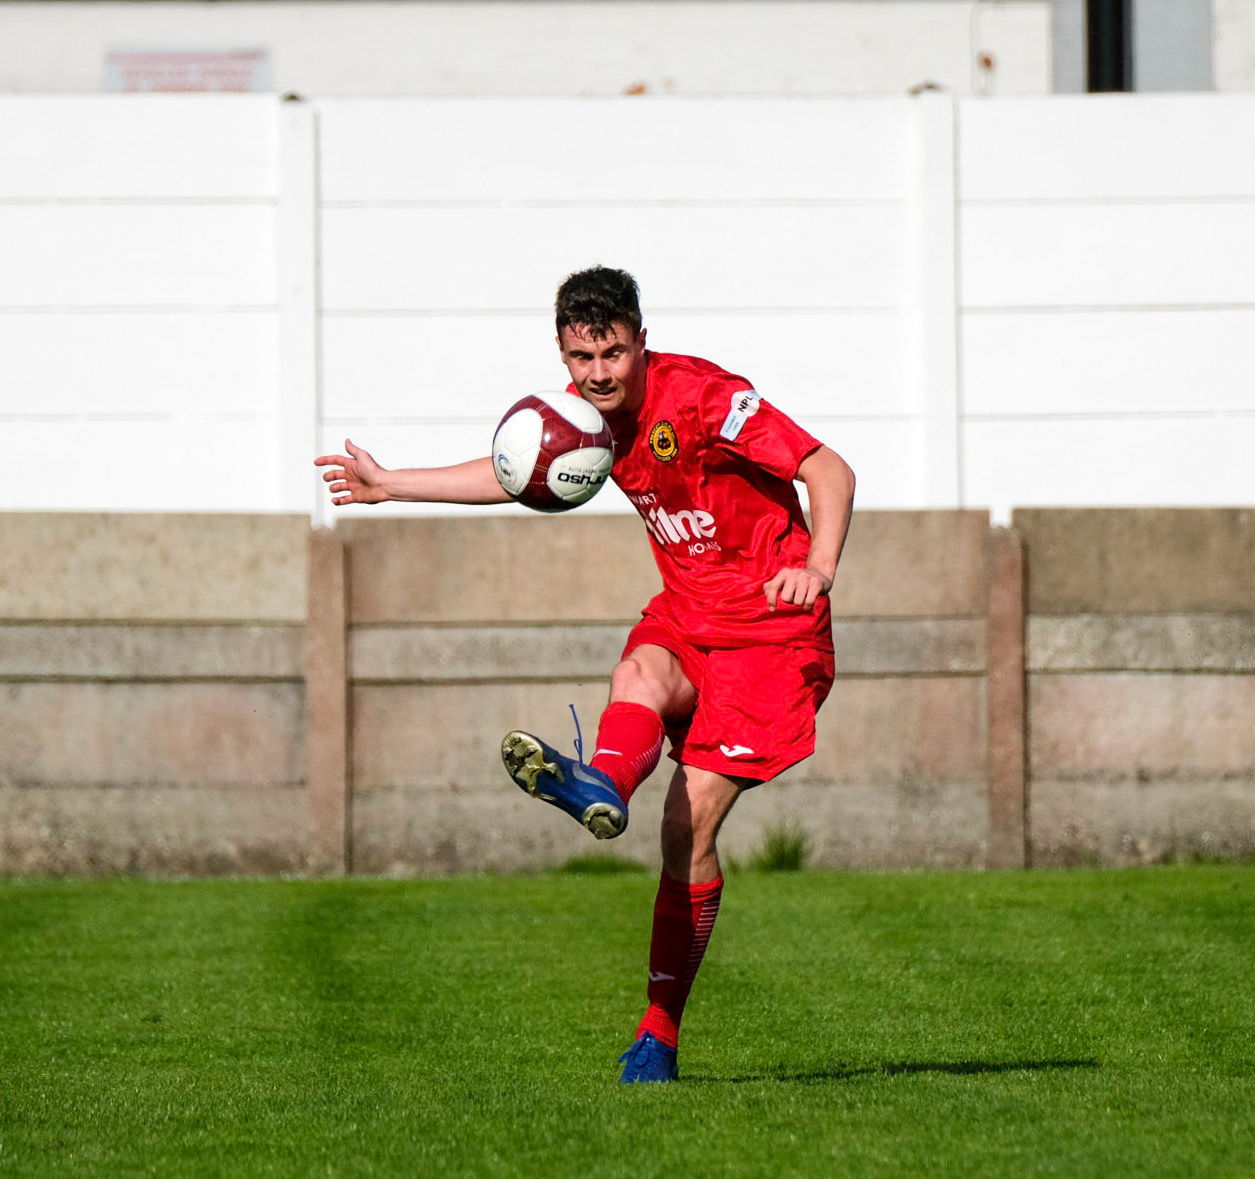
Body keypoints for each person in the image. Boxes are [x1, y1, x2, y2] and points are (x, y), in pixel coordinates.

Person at [315, 266, 855, 1084]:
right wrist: (392, 484)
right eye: (579, 356)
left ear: (641, 339)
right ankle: (601, 785)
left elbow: (829, 469)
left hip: (771, 636)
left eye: (611, 352)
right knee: (636, 666)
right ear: (561, 354)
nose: (597, 372)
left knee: (686, 830)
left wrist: (816, 567)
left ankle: (658, 1027)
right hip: (687, 618)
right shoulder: (582, 417)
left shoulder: (706, 398)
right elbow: (513, 473)